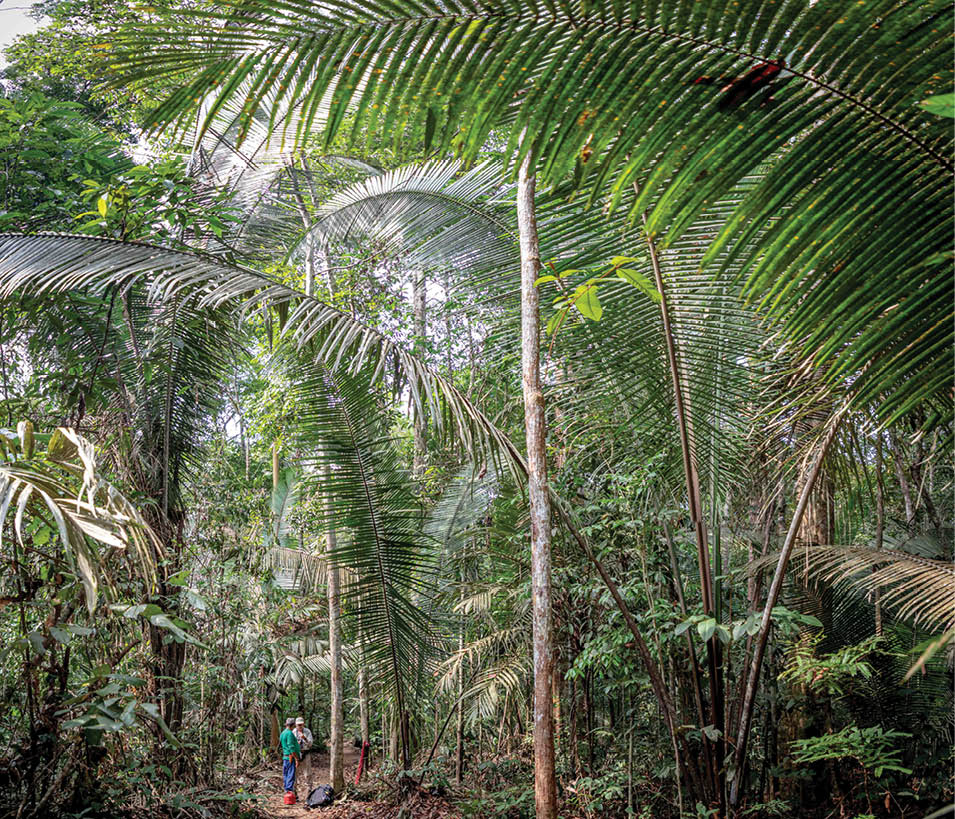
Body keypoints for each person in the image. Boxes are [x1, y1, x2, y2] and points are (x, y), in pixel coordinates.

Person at [279, 717, 301, 795]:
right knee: (291, 774)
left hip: (285, 757)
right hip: (290, 757)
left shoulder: (283, 733)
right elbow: (291, 747)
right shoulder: (289, 733)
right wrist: (296, 759)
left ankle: (286, 791)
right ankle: (289, 793)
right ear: (292, 725)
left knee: (286, 774)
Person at [294, 717, 314, 789]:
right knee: (295, 773)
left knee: (307, 773)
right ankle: (294, 791)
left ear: (303, 724)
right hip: (296, 754)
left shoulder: (307, 731)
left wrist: (304, 738)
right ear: (296, 725)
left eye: (301, 724)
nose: (300, 726)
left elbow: (310, 744)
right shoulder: (293, 732)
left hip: (305, 753)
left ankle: (310, 788)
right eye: (298, 725)